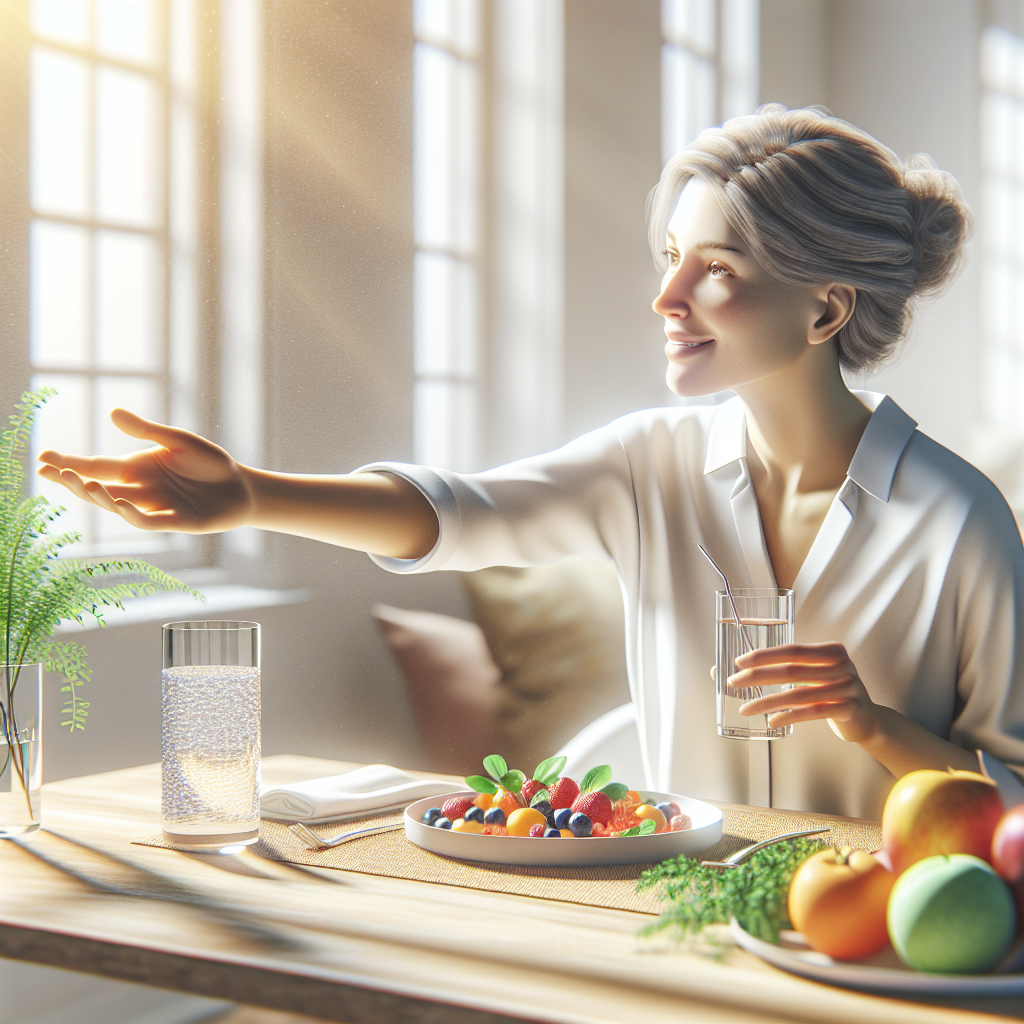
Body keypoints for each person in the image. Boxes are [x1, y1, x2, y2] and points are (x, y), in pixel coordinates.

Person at [37, 106, 1024, 819]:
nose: (666, 295)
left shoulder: (958, 520)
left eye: (716, 269)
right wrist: (251, 494)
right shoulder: (654, 463)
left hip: (881, 938)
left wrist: (872, 724)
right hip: (665, 916)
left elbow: (1012, 796)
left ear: (823, 310)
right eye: (671, 254)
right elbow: (464, 514)